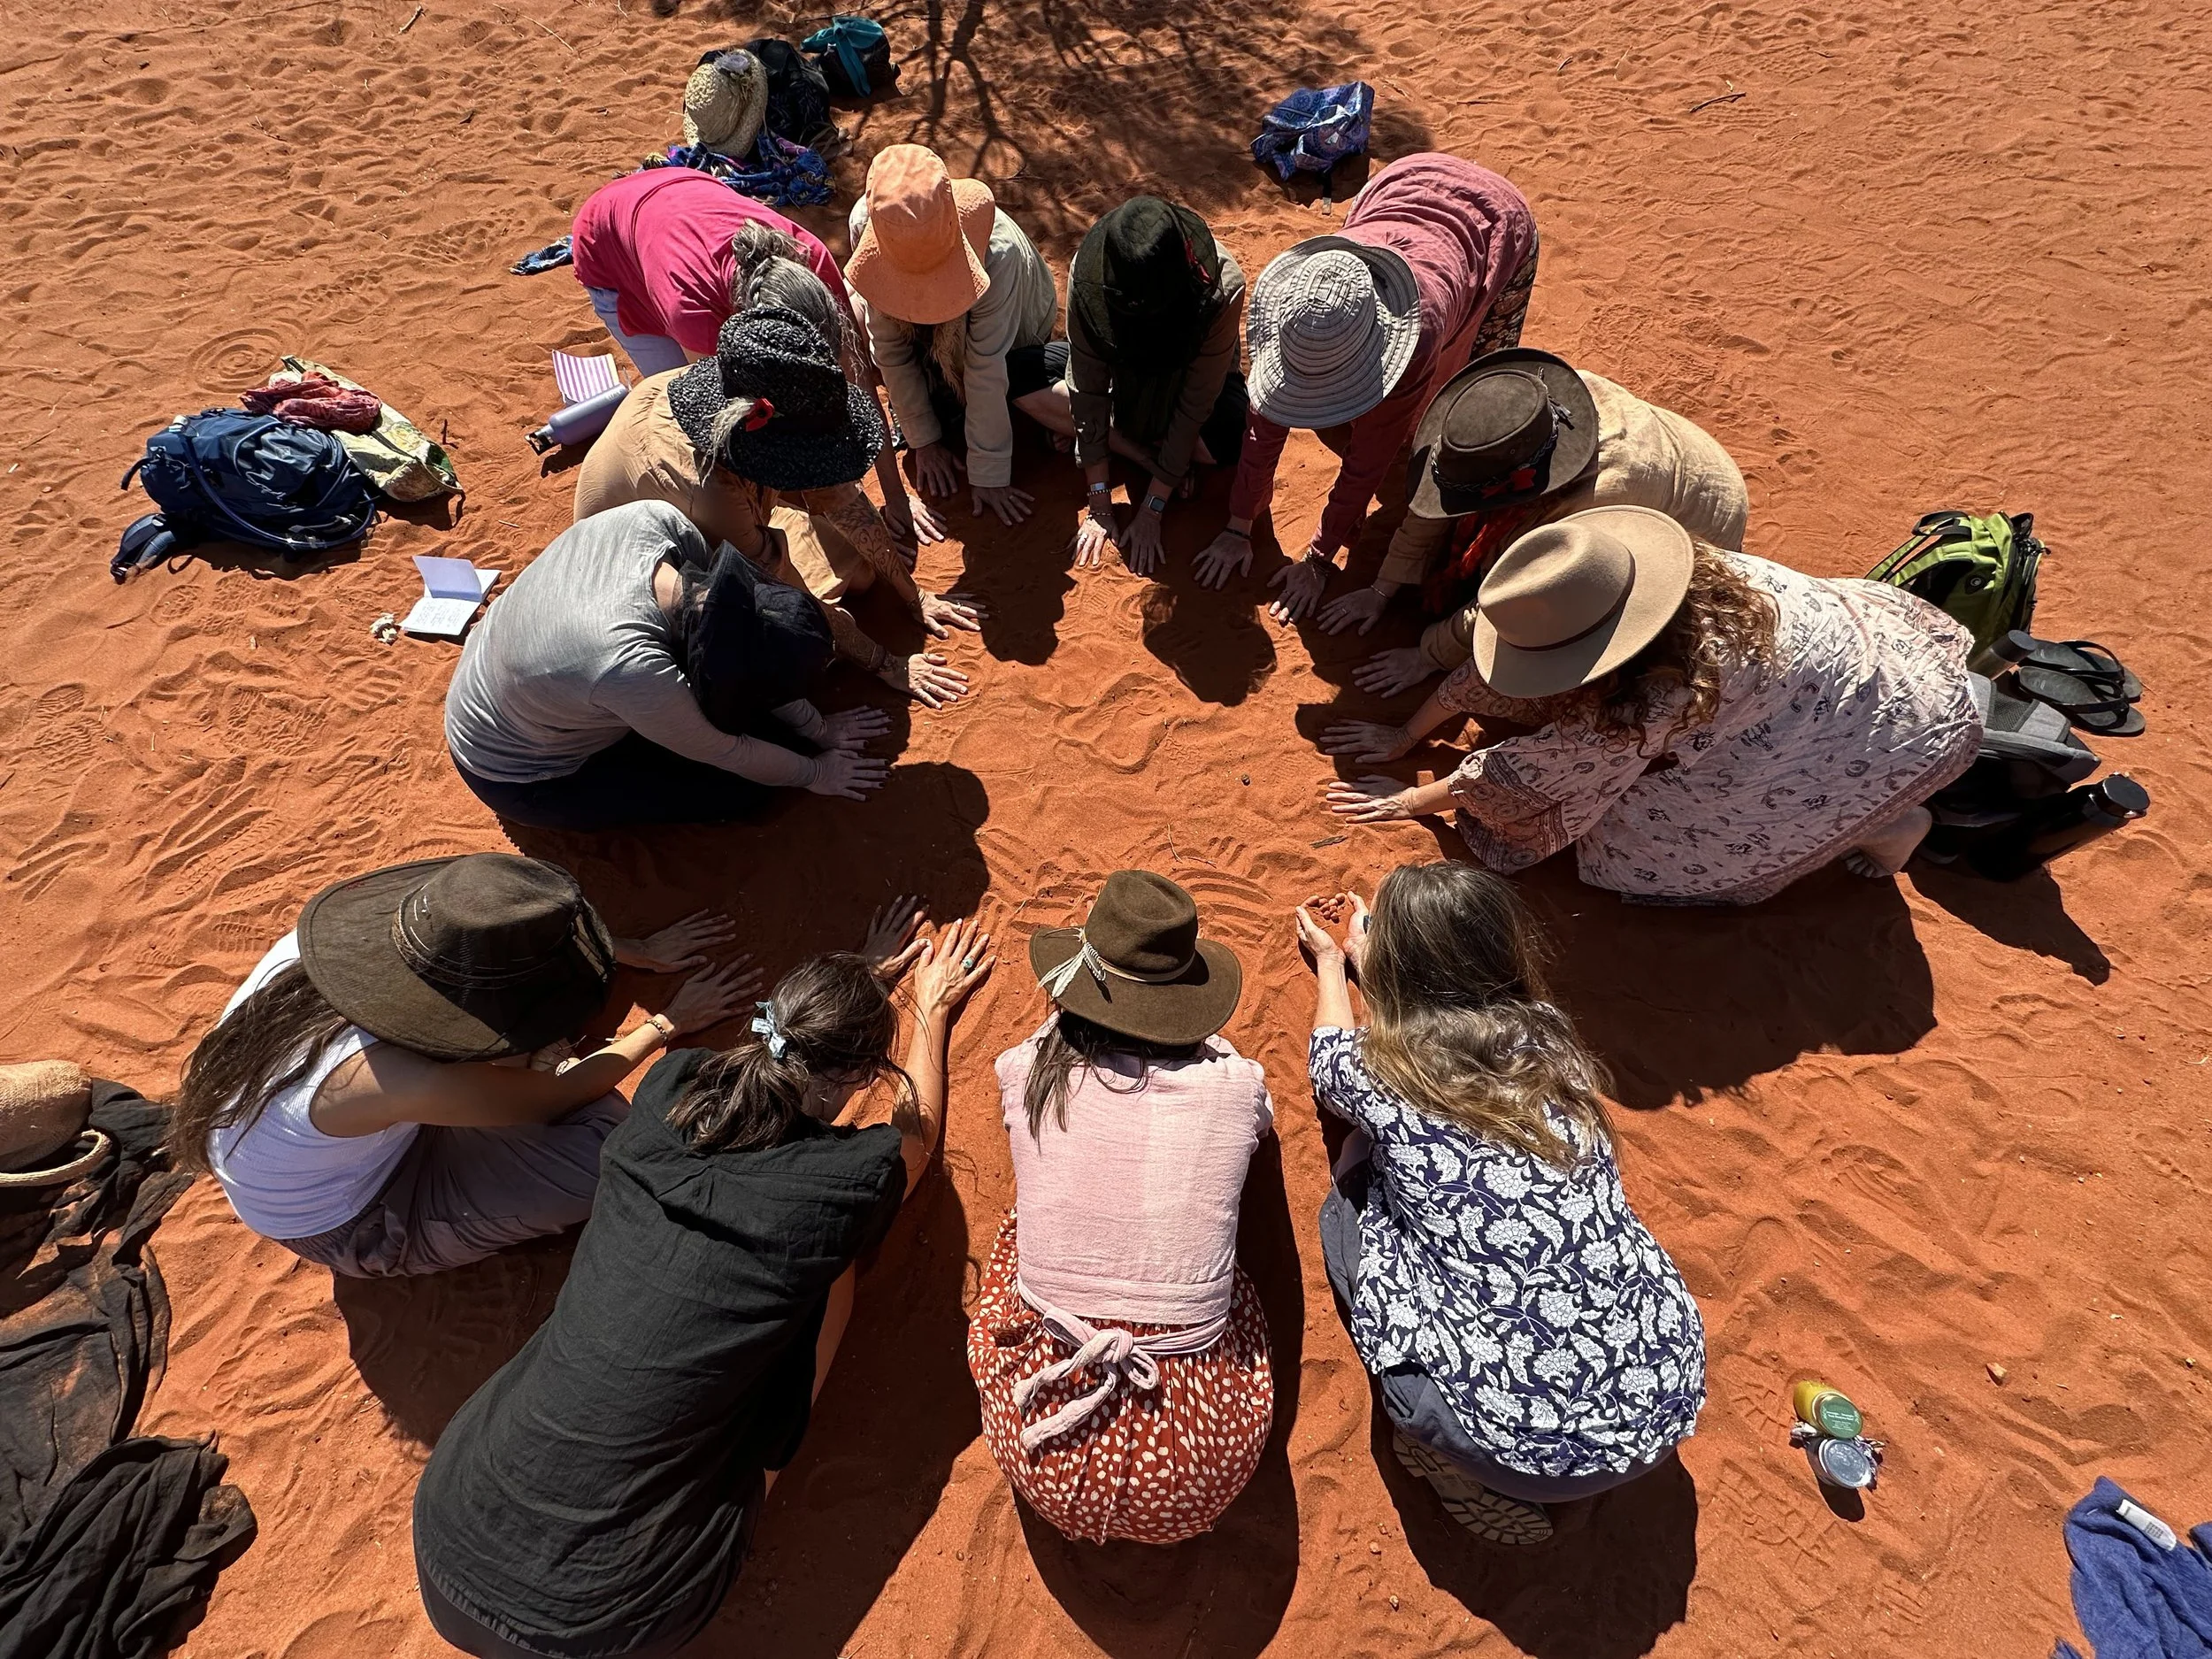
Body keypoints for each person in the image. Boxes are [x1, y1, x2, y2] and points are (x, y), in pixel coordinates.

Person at [411, 906, 995, 1659]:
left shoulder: (672, 1085)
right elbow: (915, 1137)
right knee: (833, 1270)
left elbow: (776, 1055)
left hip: (449, 1543)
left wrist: (849, 989)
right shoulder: (845, 1180)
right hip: (601, 1626)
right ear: (856, 1073)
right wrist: (930, 1007)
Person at [1294, 863, 1706, 1544]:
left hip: (1518, 1449)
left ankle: (1442, 1457)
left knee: (1351, 1194)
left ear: (1398, 967)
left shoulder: (1379, 1071)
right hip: (1658, 1403)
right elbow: (1448, 1017)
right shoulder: (1551, 1037)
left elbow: (1330, 1057)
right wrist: (1387, 956)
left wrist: (1338, 963)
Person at [1322, 507, 1985, 901]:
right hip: (1862, 654)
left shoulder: (1650, 698)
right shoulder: (1653, 576)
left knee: (1643, 847)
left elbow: (1520, 774)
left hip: (1864, 729)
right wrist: (1408, 735)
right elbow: (1485, 677)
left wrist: (1408, 799)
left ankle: (1892, 825)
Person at [167, 854, 753, 1277]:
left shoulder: (341, 945)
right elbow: (556, 1096)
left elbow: (498, 927)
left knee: (533, 1055)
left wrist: (631, 949)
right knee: (608, 1146)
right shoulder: (391, 1077)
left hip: (338, 1136)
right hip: (359, 1216)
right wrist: (666, 1023)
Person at [967, 872, 1274, 1545]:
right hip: (1199, 1467)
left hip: (1044, 1439)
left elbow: (1037, 1045)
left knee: (1018, 1233)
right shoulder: (1234, 1085)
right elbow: (1258, 1117)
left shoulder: (1027, 1071)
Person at [575, 298, 980, 710]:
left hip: (714, 494)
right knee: (801, 642)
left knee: (858, 573)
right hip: (654, 569)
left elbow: (841, 498)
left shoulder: (730, 387)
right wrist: (886, 664)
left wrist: (914, 595)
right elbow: (791, 593)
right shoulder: (714, 493)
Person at [1193, 153, 1540, 620]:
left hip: (1496, 223)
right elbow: (1262, 428)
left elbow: (1367, 460)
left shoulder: (1418, 337)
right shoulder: (1301, 306)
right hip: (1404, 182)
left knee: (1467, 391)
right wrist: (1238, 525)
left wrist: (1319, 559)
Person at [446, 495, 887, 832]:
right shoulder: (630, 667)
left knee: (761, 731)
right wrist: (816, 771)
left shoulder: (659, 522)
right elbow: (728, 751)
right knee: (744, 791)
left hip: (531, 677)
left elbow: (748, 636)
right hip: (521, 772)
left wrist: (816, 727)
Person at [1320, 349, 1749, 689]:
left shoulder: (1595, 500)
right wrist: (1381, 588)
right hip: (1658, 461)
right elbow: (1443, 491)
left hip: (1693, 523)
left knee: (1584, 623)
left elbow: (1524, 590)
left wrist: (1427, 655)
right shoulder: (1524, 404)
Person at [571, 166, 942, 546]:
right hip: (609, 243)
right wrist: (855, 524)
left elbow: (859, 386)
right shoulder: (693, 311)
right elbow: (732, 430)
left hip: (684, 189)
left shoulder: (811, 260)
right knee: (708, 441)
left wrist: (897, 498)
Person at [1022, 197, 1250, 575]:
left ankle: (1131, 446)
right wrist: (1099, 504)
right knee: (1020, 371)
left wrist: (1152, 507)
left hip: (1184, 387)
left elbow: (1196, 403)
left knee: (1237, 433)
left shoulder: (1222, 289)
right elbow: (1087, 386)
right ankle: (1143, 453)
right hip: (1122, 382)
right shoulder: (1090, 273)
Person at [845, 144, 1058, 527]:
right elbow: (889, 346)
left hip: (1012, 332)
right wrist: (923, 439)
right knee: (851, 310)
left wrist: (988, 473)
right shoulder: (871, 221)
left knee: (1005, 377)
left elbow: (985, 368)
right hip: (928, 338)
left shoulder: (998, 254)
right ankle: (929, 406)